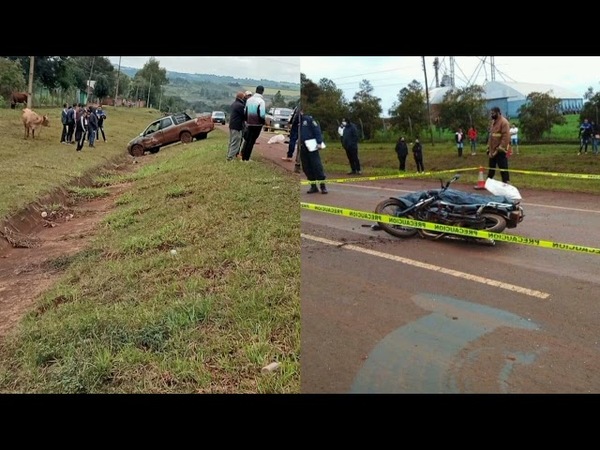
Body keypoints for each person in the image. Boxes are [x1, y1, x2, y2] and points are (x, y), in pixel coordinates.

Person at [299, 109, 328, 194]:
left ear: (302, 111)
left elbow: (317, 131)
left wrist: (319, 142)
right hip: (302, 147)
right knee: (306, 167)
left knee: (316, 166)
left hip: (312, 146)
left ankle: (323, 186)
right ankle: (313, 186)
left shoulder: (309, 120)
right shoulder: (297, 122)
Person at [240, 85, 266, 162]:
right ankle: (247, 158)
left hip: (249, 123)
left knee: (247, 140)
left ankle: (243, 157)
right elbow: (262, 114)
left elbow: (245, 111)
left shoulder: (249, 100)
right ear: (262, 91)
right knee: (252, 141)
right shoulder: (261, 101)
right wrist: (263, 122)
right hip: (257, 124)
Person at [486, 106, 511, 183]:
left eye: (493, 113)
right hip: (493, 150)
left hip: (501, 150)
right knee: (491, 168)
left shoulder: (504, 122)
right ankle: (488, 182)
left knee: (503, 167)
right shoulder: (493, 122)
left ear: (498, 113)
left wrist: (500, 147)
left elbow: (506, 137)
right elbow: (491, 136)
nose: (491, 115)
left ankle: (506, 183)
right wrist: (489, 149)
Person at [227, 91, 247, 161]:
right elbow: (244, 116)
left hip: (232, 125)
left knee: (232, 141)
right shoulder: (240, 106)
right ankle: (230, 157)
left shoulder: (234, 104)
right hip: (237, 126)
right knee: (236, 142)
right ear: (242, 97)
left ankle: (229, 155)